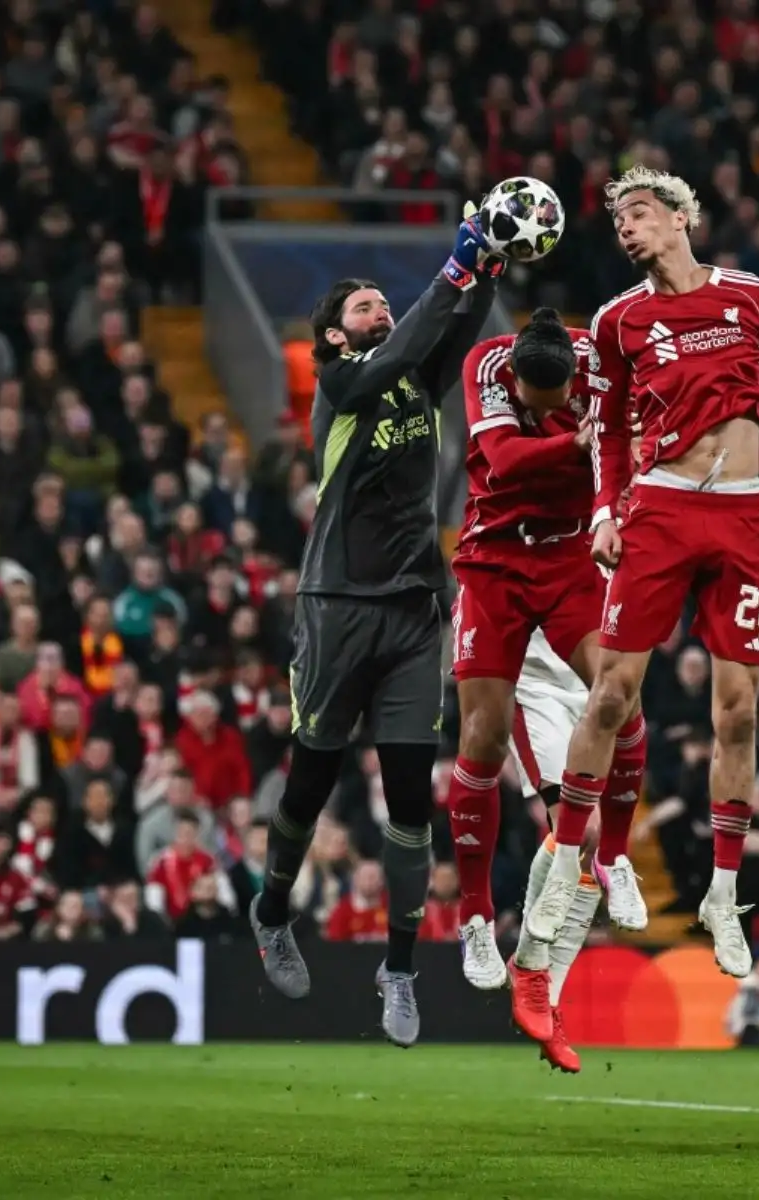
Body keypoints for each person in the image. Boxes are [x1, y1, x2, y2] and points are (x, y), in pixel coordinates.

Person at [527, 165, 759, 979]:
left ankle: (723, 894)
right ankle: (568, 862)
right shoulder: (617, 320)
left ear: (682, 218)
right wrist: (608, 510)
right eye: (618, 219)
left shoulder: (753, 297)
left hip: (745, 516)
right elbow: (606, 428)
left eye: (641, 212)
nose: (627, 226)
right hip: (661, 505)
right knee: (611, 693)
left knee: (739, 714)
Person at [247, 205, 503, 1047]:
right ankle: (273, 908)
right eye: (362, 307)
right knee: (311, 783)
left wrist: (488, 260)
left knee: (408, 808)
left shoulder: (413, 380)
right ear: (331, 334)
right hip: (336, 607)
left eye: (384, 303)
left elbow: (450, 329)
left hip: (410, 614)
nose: (380, 311)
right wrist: (453, 270)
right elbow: (403, 341)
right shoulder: (339, 387)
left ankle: (399, 969)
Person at [444, 308, 649, 1005]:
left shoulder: (599, 367)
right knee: (482, 735)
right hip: (493, 559)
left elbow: (622, 446)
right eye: (538, 404)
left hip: (568, 559)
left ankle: (616, 856)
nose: (548, 410)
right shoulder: (486, 366)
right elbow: (500, 459)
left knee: (620, 694)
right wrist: (574, 446)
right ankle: (473, 914)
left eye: (556, 403)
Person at [508, 628, 606, 1072]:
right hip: (536, 682)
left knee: (595, 843)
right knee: (579, 830)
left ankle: (547, 997)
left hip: (595, 685)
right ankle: (530, 966)